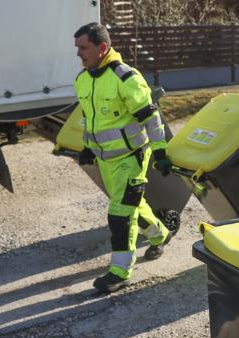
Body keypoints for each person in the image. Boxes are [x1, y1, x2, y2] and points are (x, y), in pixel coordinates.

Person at [73, 23, 176, 293]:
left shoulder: (125, 77)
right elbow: (90, 120)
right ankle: (161, 236)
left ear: (102, 48)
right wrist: (87, 146)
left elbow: (150, 117)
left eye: (83, 47)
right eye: (77, 48)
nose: (79, 53)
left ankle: (120, 272)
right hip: (107, 161)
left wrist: (161, 152)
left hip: (131, 159)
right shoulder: (83, 79)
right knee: (133, 206)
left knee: (120, 215)